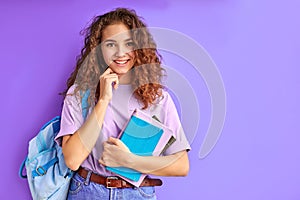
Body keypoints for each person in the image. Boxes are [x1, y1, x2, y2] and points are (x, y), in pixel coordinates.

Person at [55, 8, 191, 200]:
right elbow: (72, 160)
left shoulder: (157, 98)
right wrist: (103, 100)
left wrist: (128, 160)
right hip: (88, 191)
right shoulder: (79, 94)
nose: (121, 53)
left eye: (129, 43)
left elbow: (181, 165)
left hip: (138, 194)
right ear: (99, 49)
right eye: (111, 44)